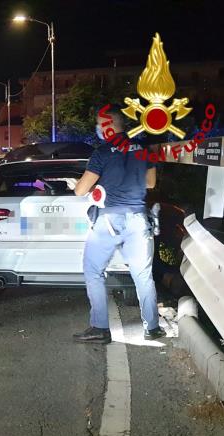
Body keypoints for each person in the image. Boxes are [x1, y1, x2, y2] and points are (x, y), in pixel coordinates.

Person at [72, 110, 166, 344]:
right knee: (143, 275)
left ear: (108, 127)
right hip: (137, 219)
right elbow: (151, 183)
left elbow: (81, 190)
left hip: (108, 221)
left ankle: (100, 328)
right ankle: (152, 328)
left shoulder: (101, 153)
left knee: (93, 271)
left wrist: (89, 184)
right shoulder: (144, 150)